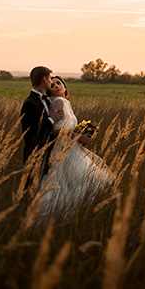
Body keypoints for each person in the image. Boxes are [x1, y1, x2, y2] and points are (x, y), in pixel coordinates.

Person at [37, 76, 114, 219]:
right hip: (62, 148)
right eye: (53, 85)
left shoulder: (64, 102)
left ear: (65, 86)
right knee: (80, 180)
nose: (57, 86)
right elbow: (56, 129)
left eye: (59, 83)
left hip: (70, 146)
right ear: (50, 91)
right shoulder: (58, 101)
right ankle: (66, 213)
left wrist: (81, 133)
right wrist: (79, 137)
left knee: (71, 182)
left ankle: (67, 213)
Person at [20, 66, 64, 180]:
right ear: (44, 79)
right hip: (34, 157)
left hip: (48, 155)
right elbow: (32, 133)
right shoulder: (30, 103)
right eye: (50, 79)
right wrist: (51, 120)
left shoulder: (45, 100)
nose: (51, 82)